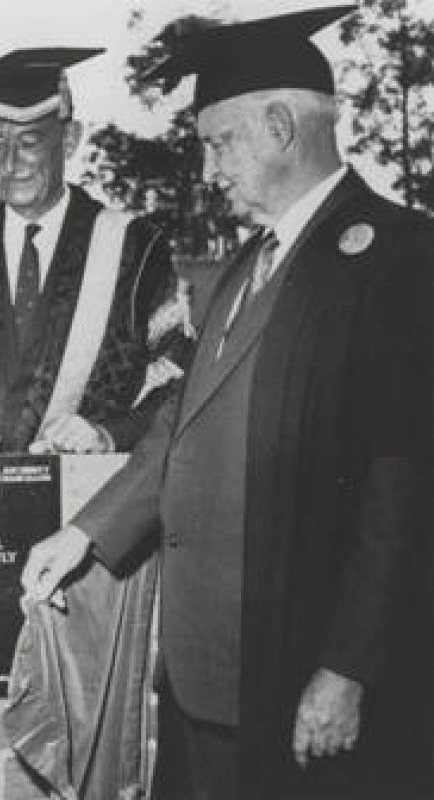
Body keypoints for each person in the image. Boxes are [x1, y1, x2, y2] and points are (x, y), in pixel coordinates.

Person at [21, 7, 433, 799]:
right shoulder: (246, 263)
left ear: (281, 126)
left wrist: (348, 668)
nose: (210, 172)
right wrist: (85, 533)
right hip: (206, 681)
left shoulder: (402, 258)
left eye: (219, 143)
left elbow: (404, 491)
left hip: (304, 676)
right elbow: (184, 420)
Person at [0, 48, 184, 455]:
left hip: (86, 504)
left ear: (69, 139)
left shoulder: (136, 251)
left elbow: (175, 384)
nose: (10, 164)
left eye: (29, 143)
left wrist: (109, 435)